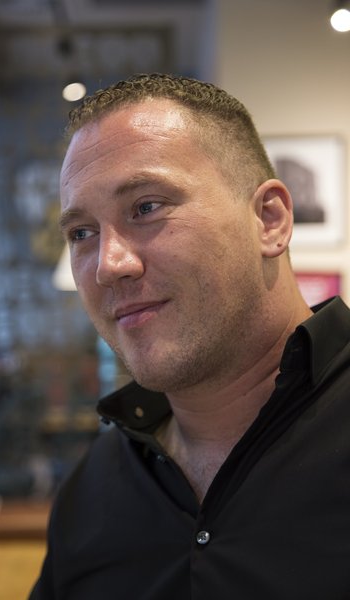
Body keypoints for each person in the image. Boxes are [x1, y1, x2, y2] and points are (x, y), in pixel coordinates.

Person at [29, 73, 350, 599]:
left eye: (146, 207)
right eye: (82, 233)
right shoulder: (93, 489)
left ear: (269, 219)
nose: (109, 265)